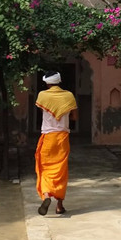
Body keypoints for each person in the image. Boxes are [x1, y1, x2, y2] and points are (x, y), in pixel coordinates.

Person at [34, 71, 78, 215]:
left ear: (47, 83)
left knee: (45, 168)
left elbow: (41, 110)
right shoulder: (69, 96)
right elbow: (75, 117)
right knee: (61, 170)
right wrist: (65, 113)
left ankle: (46, 195)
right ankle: (59, 205)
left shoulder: (42, 95)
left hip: (48, 137)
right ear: (59, 81)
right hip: (62, 137)